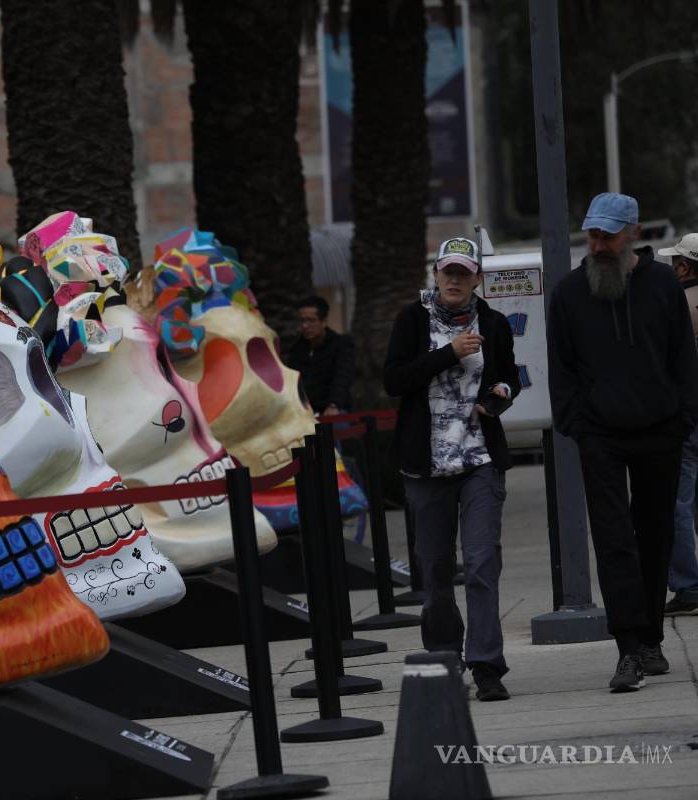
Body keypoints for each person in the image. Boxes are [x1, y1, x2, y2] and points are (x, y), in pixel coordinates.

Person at [547, 193, 698, 693]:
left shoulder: (661, 286)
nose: (598, 244)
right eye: (592, 235)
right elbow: (562, 367)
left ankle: (651, 637)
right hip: (601, 436)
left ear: (632, 233)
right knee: (614, 542)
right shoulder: (569, 293)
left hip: (660, 431)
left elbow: (684, 360)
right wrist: (576, 423)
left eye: (608, 235)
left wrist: (684, 417)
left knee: (655, 537)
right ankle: (628, 647)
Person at [384, 236, 519, 702]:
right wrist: (450, 353)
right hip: (426, 466)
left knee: (482, 564)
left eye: (464, 273)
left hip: (479, 459)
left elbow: (509, 377)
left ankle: (486, 666)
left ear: (477, 278)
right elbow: (394, 380)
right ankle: (444, 659)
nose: (456, 280)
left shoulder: (496, 324)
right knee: (436, 570)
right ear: (435, 276)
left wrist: (497, 397)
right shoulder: (411, 320)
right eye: (448, 272)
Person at [658, 232, 698, 616]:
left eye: (675, 262)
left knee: (678, 505)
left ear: (685, 266)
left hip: (685, 417)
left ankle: (688, 587)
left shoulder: (677, 305)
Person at [290, 295, 355, 416]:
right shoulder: (297, 349)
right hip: (305, 413)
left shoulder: (341, 344)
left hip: (334, 410)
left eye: (311, 320)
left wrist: (333, 405)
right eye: (302, 320)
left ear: (324, 321)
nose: (305, 326)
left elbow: (342, 377)